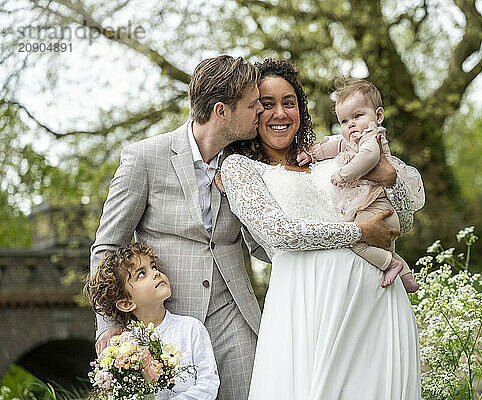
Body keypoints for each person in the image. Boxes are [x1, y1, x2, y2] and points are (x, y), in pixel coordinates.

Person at [90, 55, 405, 400]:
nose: (261, 113)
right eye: (255, 104)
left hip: (236, 318)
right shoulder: (145, 158)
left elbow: (261, 243)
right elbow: (108, 246)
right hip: (165, 322)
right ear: (223, 112)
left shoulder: (241, 165)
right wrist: (111, 326)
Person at [222, 58, 422, 399]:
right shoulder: (240, 168)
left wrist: (390, 178)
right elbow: (280, 233)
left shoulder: (334, 151)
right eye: (266, 105)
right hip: (307, 303)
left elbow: (403, 216)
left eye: (289, 102)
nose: (280, 113)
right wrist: (358, 233)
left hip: (376, 296)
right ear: (251, 111)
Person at [298, 77, 423, 289]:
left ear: (378, 116)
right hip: (374, 206)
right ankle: (406, 275)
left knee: (355, 240)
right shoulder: (350, 140)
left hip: (378, 204)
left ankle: (391, 265)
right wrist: (312, 154)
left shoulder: (370, 137)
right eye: (344, 121)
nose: (351, 125)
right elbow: (333, 146)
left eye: (357, 116)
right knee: (382, 244)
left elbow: (369, 156)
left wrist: (344, 175)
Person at [83, 243, 220, 399]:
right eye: (141, 274)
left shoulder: (191, 329)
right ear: (127, 303)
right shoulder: (121, 348)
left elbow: (209, 383)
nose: (156, 273)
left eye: (154, 267)